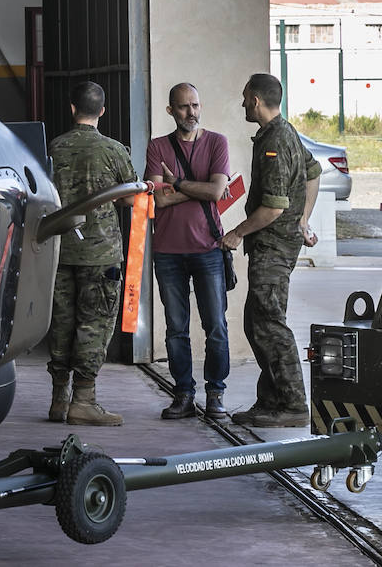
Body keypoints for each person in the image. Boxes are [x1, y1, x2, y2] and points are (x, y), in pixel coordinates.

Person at [219, 73, 321, 428]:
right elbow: (314, 171)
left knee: (269, 324)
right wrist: (304, 220)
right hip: (280, 241)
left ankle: (292, 403)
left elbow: (274, 207)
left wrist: (236, 233)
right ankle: (270, 400)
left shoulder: (276, 140)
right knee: (257, 322)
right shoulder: (285, 132)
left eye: (246, 97)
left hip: (273, 246)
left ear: (258, 100)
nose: (243, 103)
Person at [47, 81, 139, 426]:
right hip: (100, 254)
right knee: (93, 325)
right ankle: (83, 400)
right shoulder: (114, 151)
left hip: (59, 249)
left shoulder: (54, 147)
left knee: (61, 323)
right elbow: (131, 198)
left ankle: (58, 399)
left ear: (72, 108)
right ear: (102, 111)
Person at [146, 83, 232, 419]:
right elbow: (159, 198)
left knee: (216, 326)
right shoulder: (157, 147)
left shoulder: (216, 142)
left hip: (208, 248)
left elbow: (217, 191)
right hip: (167, 251)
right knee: (176, 328)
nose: (191, 112)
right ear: (171, 110)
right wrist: (204, 189)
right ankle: (183, 394)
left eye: (195, 105)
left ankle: (215, 394)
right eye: (183, 107)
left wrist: (179, 183)